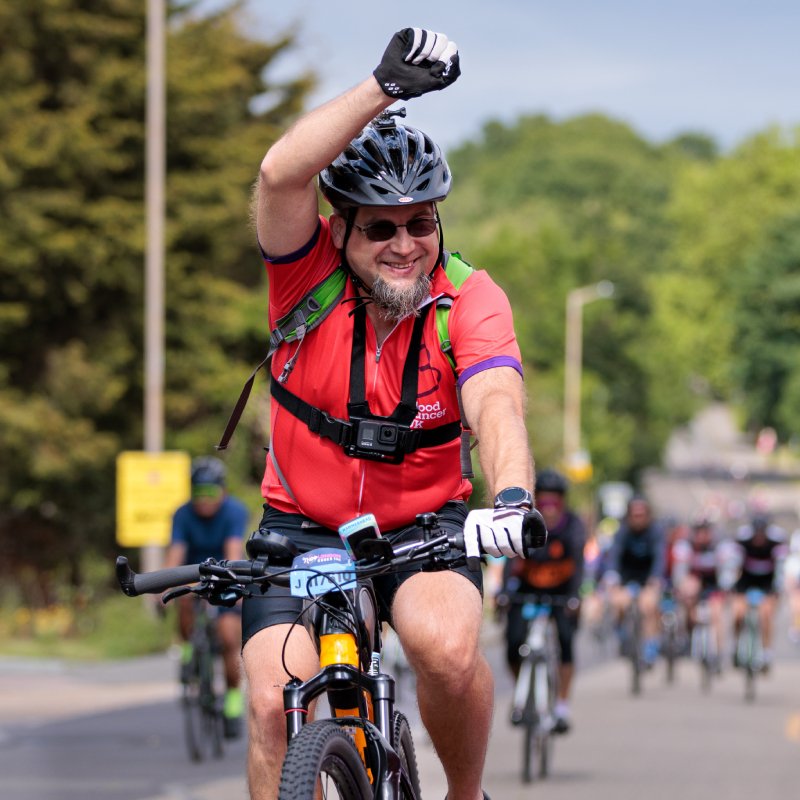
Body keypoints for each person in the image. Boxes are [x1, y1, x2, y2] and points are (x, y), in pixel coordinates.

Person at [239, 27, 537, 800]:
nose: (405, 243)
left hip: (425, 527)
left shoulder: (467, 299)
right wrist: (383, 87)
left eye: (421, 223)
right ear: (340, 232)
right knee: (274, 709)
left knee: (442, 648)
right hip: (300, 527)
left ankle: (464, 796)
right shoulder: (304, 280)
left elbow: (496, 399)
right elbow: (279, 172)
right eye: (381, 226)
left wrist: (510, 496)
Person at [494, 468, 586, 734]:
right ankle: (521, 689)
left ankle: (562, 706)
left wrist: (574, 597)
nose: (550, 508)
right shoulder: (527, 522)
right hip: (526, 590)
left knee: (566, 641)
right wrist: (504, 592)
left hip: (562, 593)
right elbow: (513, 559)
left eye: (554, 502)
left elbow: (579, 565)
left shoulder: (573, 526)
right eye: (543, 502)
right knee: (513, 643)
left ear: (563, 503)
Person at [165, 456, 249, 738]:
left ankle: (233, 704)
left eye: (210, 493)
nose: (203, 500)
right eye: (197, 493)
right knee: (184, 596)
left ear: (223, 491)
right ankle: (189, 649)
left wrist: (235, 586)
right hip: (193, 573)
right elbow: (176, 553)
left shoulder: (234, 512)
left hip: (223, 572)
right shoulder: (182, 514)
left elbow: (234, 551)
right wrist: (163, 584)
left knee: (228, 637)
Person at [602, 495, 666, 667]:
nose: (638, 519)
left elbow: (660, 557)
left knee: (649, 606)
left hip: (648, 578)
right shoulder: (622, 532)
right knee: (618, 602)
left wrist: (656, 578)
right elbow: (614, 556)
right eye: (635, 515)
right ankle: (622, 635)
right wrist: (612, 576)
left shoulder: (656, 531)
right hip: (626, 577)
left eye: (642, 515)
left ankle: (650, 647)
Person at [730, 513, 788, 671]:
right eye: (757, 533)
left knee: (766, 615)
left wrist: (778, 589)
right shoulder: (743, 541)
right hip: (746, 581)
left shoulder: (776, 543)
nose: (759, 537)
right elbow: (733, 565)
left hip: (767, 583)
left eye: (762, 533)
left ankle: (767, 652)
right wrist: (730, 583)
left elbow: (780, 570)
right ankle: (735, 646)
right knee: (738, 614)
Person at [671, 517, 726, 669]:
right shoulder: (685, 547)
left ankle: (718, 653)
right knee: (689, 591)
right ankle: (687, 633)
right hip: (694, 584)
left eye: (706, 532)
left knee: (716, 616)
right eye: (699, 532)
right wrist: (682, 588)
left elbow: (726, 573)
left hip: (713, 585)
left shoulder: (718, 547)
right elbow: (680, 574)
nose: (702, 536)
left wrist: (725, 589)